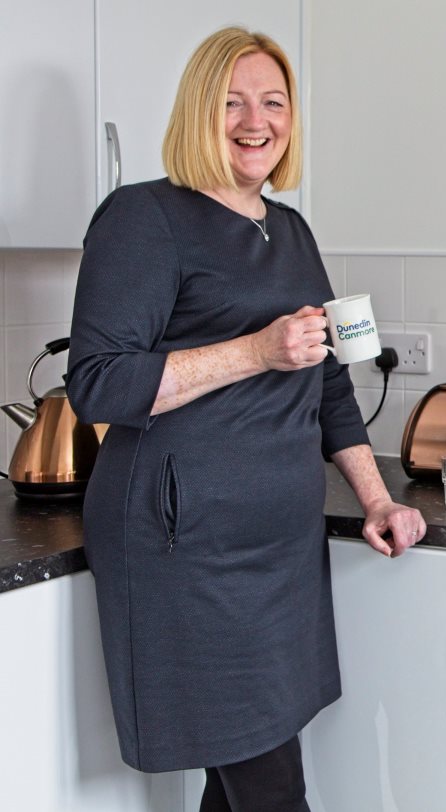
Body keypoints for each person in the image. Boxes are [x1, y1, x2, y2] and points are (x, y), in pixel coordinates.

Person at [66, 27, 427, 811]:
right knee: (270, 788)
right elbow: (96, 383)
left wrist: (376, 498)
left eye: (272, 101)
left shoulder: (288, 227)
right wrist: (256, 351)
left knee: (241, 782)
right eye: (231, 103)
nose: (253, 120)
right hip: (185, 550)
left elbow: (329, 385)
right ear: (200, 113)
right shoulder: (142, 216)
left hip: (279, 549)